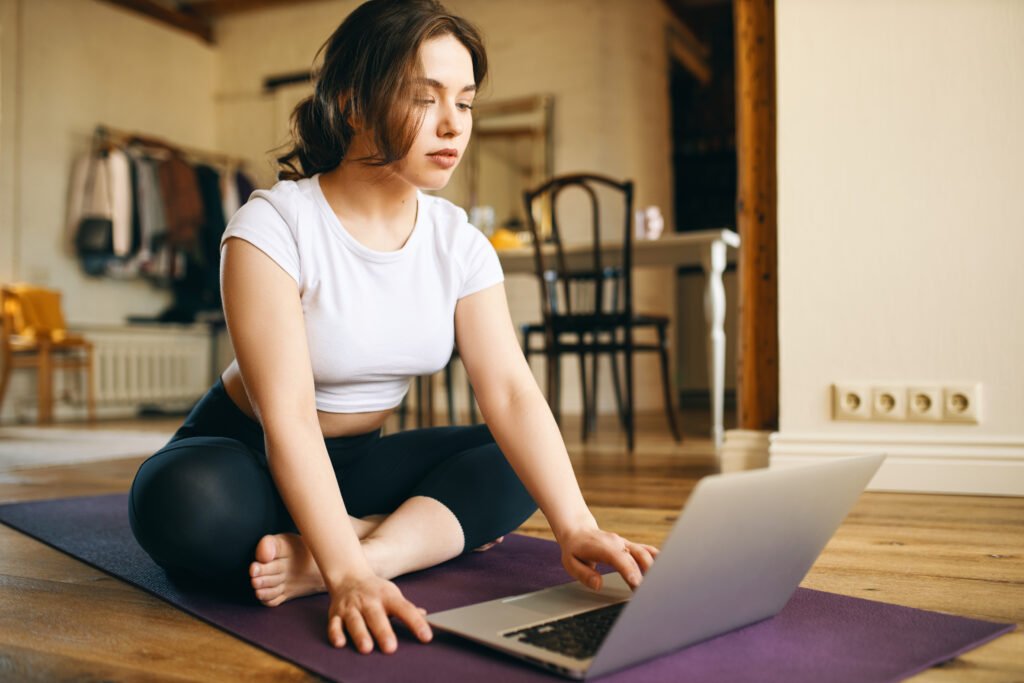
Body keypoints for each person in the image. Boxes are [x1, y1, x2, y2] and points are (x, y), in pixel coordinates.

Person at [128, 0, 658, 656]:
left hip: (357, 463)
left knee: (514, 461)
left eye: (464, 102)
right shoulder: (273, 226)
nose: (451, 125)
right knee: (181, 503)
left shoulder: (458, 242)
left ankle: (348, 547)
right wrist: (346, 579)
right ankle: (376, 540)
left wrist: (576, 525)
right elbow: (288, 418)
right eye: (424, 97)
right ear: (353, 103)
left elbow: (513, 395)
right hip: (248, 451)